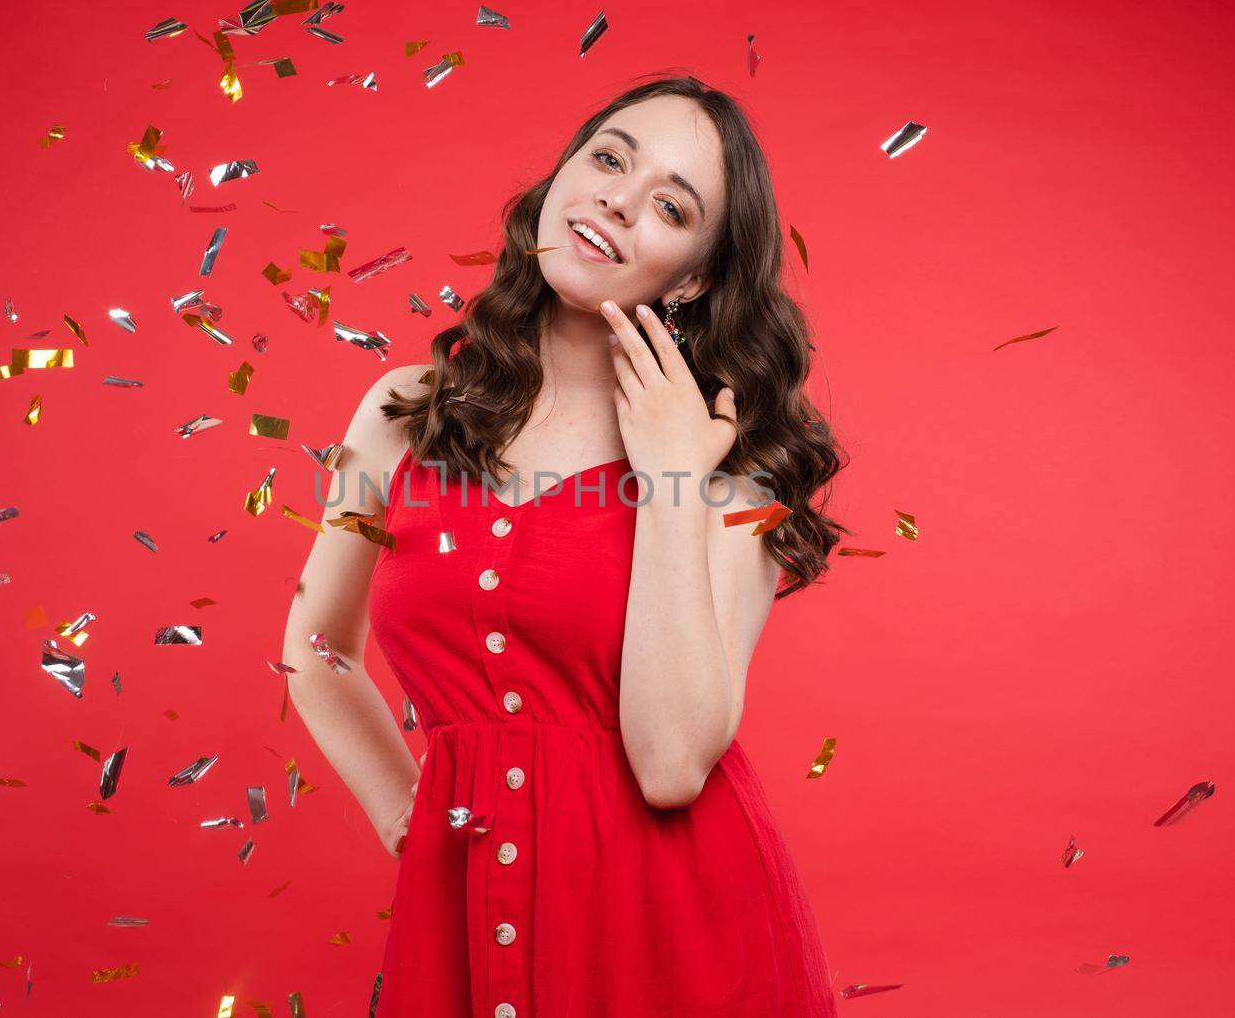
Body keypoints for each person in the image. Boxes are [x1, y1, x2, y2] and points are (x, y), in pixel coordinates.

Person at [284, 72, 848, 1016]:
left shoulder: (737, 468)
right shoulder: (401, 412)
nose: (619, 201)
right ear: (561, 177)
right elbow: (314, 648)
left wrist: (672, 478)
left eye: (670, 206)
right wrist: (404, 815)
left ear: (695, 276)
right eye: (608, 159)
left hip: (672, 935)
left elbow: (672, 765)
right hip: (459, 917)